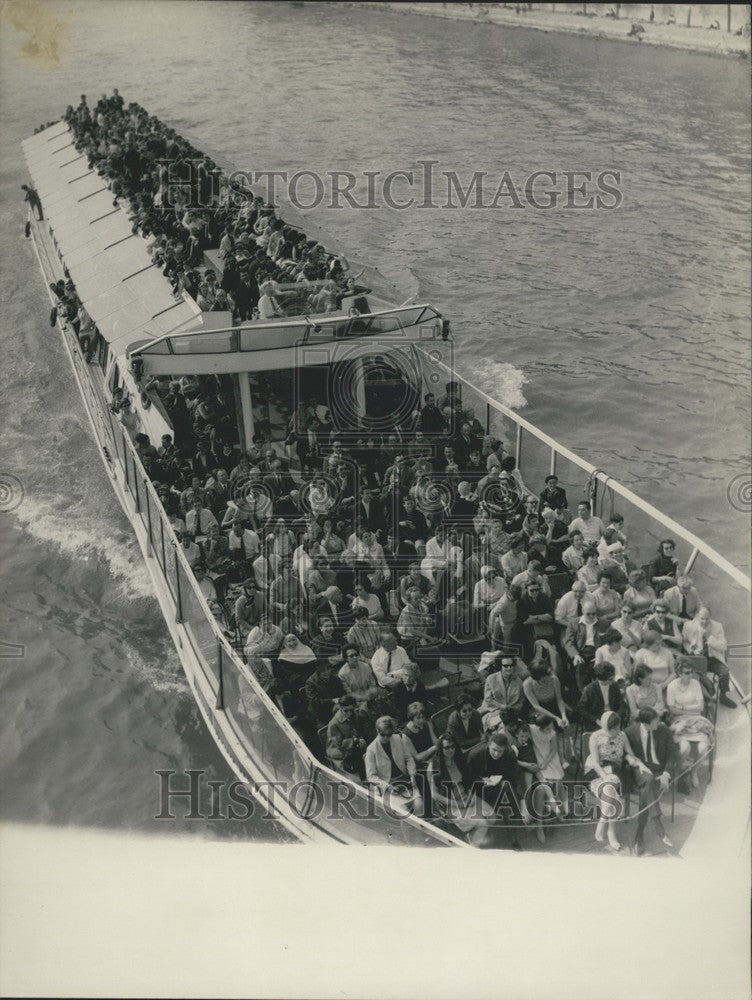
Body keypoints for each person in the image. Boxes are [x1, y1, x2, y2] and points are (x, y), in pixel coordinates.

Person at [585, 711, 642, 851]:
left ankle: (602, 823)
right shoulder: (595, 737)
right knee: (610, 792)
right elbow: (596, 763)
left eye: (617, 728)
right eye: (612, 729)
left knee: (610, 787)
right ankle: (611, 831)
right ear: (605, 726)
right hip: (597, 770)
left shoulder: (622, 735)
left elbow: (629, 753)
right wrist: (604, 777)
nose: (615, 731)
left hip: (616, 770)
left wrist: (631, 759)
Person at [626, 708, 676, 855]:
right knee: (648, 781)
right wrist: (638, 764)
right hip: (640, 769)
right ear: (645, 724)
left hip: (659, 769)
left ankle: (639, 834)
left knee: (647, 788)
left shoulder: (664, 730)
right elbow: (626, 756)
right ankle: (658, 827)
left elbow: (672, 754)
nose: (659, 723)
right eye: (655, 722)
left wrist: (666, 774)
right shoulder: (630, 732)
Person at [467, 731, 522, 850]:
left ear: (505, 749)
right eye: (494, 749)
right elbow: (468, 778)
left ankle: (513, 837)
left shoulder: (509, 754)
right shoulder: (475, 755)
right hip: (480, 790)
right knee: (507, 797)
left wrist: (520, 797)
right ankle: (518, 816)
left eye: (500, 751)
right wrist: (482, 780)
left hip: (500, 788)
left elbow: (515, 776)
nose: (496, 754)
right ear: (488, 745)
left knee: (507, 789)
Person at [666, 660, 714, 789]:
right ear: (679, 673)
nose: (691, 675)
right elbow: (671, 709)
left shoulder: (696, 683)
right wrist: (689, 709)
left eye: (691, 672)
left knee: (703, 749)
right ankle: (679, 771)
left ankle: (694, 772)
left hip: (696, 720)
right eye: (687, 673)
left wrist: (681, 707)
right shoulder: (671, 686)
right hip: (679, 721)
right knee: (684, 749)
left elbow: (701, 706)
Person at [364, 716, 421, 812]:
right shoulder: (371, 749)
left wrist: (412, 774)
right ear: (377, 731)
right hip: (387, 785)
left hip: (405, 780)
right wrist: (387, 787)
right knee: (403, 812)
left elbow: (408, 758)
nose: (386, 737)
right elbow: (371, 776)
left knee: (419, 805)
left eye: (389, 734)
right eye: (383, 735)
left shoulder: (398, 738)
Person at [682, 607, 735, 708]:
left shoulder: (718, 626)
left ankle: (723, 696)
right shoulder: (688, 625)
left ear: (710, 617)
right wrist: (691, 650)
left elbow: (723, 646)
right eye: (702, 618)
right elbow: (684, 641)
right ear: (697, 616)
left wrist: (709, 637)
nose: (705, 621)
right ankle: (704, 696)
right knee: (707, 685)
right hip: (697, 658)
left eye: (707, 618)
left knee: (724, 672)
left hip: (712, 658)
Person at [562, 600, 607, 691]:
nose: (591, 616)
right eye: (588, 614)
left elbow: (607, 641)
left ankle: (599, 693)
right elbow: (568, 642)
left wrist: (601, 655)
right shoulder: (574, 623)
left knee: (599, 668)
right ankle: (584, 693)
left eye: (593, 614)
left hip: (596, 651)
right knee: (580, 668)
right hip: (580, 651)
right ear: (583, 611)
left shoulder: (603, 623)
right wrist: (575, 655)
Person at [577, 662, 628, 731]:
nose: (613, 681)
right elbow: (581, 708)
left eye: (613, 677)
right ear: (601, 679)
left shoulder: (614, 685)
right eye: (610, 679)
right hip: (597, 720)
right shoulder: (590, 689)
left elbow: (621, 703)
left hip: (612, 716)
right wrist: (595, 719)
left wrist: (617, 715)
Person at [326, 696, 367, 777]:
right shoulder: (333, 724)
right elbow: (339, 744)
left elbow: (360, 730)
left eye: (351, 710)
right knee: (355, 780)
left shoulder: (355, 715)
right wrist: (355, 740)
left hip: (354, 747)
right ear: (340, 708)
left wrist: (361, 738)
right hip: (340, 753)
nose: (349, 713)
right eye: (346, 711)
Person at [522, 659, 569, 730]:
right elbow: (536, 706)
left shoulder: (554, 679)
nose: (550, 676)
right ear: (539, 677)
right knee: (543, 722)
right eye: (546, 675)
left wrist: (564, 715)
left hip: (553, 703)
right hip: (539, 708)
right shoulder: (527, 684)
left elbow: (559, 699)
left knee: (570, 715)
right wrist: (555, 718)